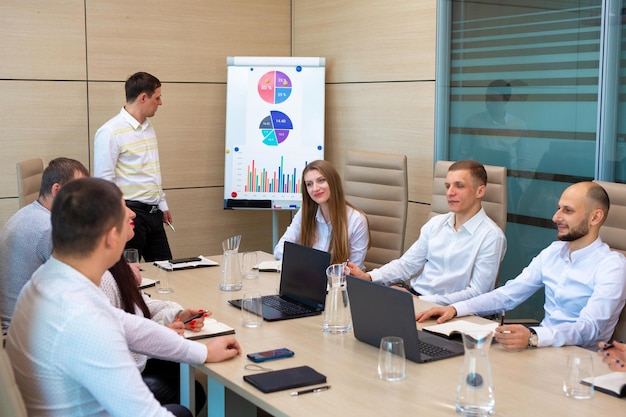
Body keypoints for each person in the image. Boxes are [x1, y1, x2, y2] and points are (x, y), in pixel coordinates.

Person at [6, 177, 241, 417]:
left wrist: (203, 353)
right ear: (110, 237)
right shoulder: (83, 320)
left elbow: (128, 325)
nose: (132, 214)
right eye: (123, 209)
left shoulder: (50, 278)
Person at [416, 181, 626, 350]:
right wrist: (455, 308)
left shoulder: (612, 266)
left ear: (595, 217)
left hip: (580, 359)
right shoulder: (553, 252)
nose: (556, 217)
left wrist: (534, 336)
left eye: (567, 211)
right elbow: (509, 294)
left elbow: (590, 328)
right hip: (541, 348)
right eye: (558, 208)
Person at [348, 160, 506, 305]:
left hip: (453, 311)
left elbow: (478, 293)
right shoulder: (436, 224)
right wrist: (368, 277)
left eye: (459, 186)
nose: (450, 192)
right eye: (447, 186)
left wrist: (421, 301)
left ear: (480, 191)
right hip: (415, 298)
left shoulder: (491, 237)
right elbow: (406, 265)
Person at [100, 207, 208, 413]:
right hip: (111, 385)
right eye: (122, 207)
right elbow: (110, 351)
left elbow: (138, 308)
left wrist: (177, 315)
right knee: (189, 394)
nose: (133, 213)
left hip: (122, 370)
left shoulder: (112, 264)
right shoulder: (102, 277)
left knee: (190, 384)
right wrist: (160, 337)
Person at [0, 157, 89, 335]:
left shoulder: (26, 213)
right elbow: (84, 284)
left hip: (18, 325)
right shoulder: (49, 228)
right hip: (28, 334)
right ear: (57, 189)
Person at [94, 71, 172, 262]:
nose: (160, 102)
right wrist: (120, 216)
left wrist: (162, 204)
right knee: (130, 279)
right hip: (129, 216)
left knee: (167, 271)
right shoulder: (110, 132)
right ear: (143, 98)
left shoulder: (148, 127)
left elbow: (151, 170)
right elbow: (104, 182)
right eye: (157, 97)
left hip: (154, 214)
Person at [273, 159, 370, 268]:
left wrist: (305, 263)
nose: (315, 188)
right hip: (309, 277)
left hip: (339, 283)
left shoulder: (357, 220)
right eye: (309, 184)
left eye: (321, 180)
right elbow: (280, 248)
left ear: (333, 182)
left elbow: (353, 270)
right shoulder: (305, 213)